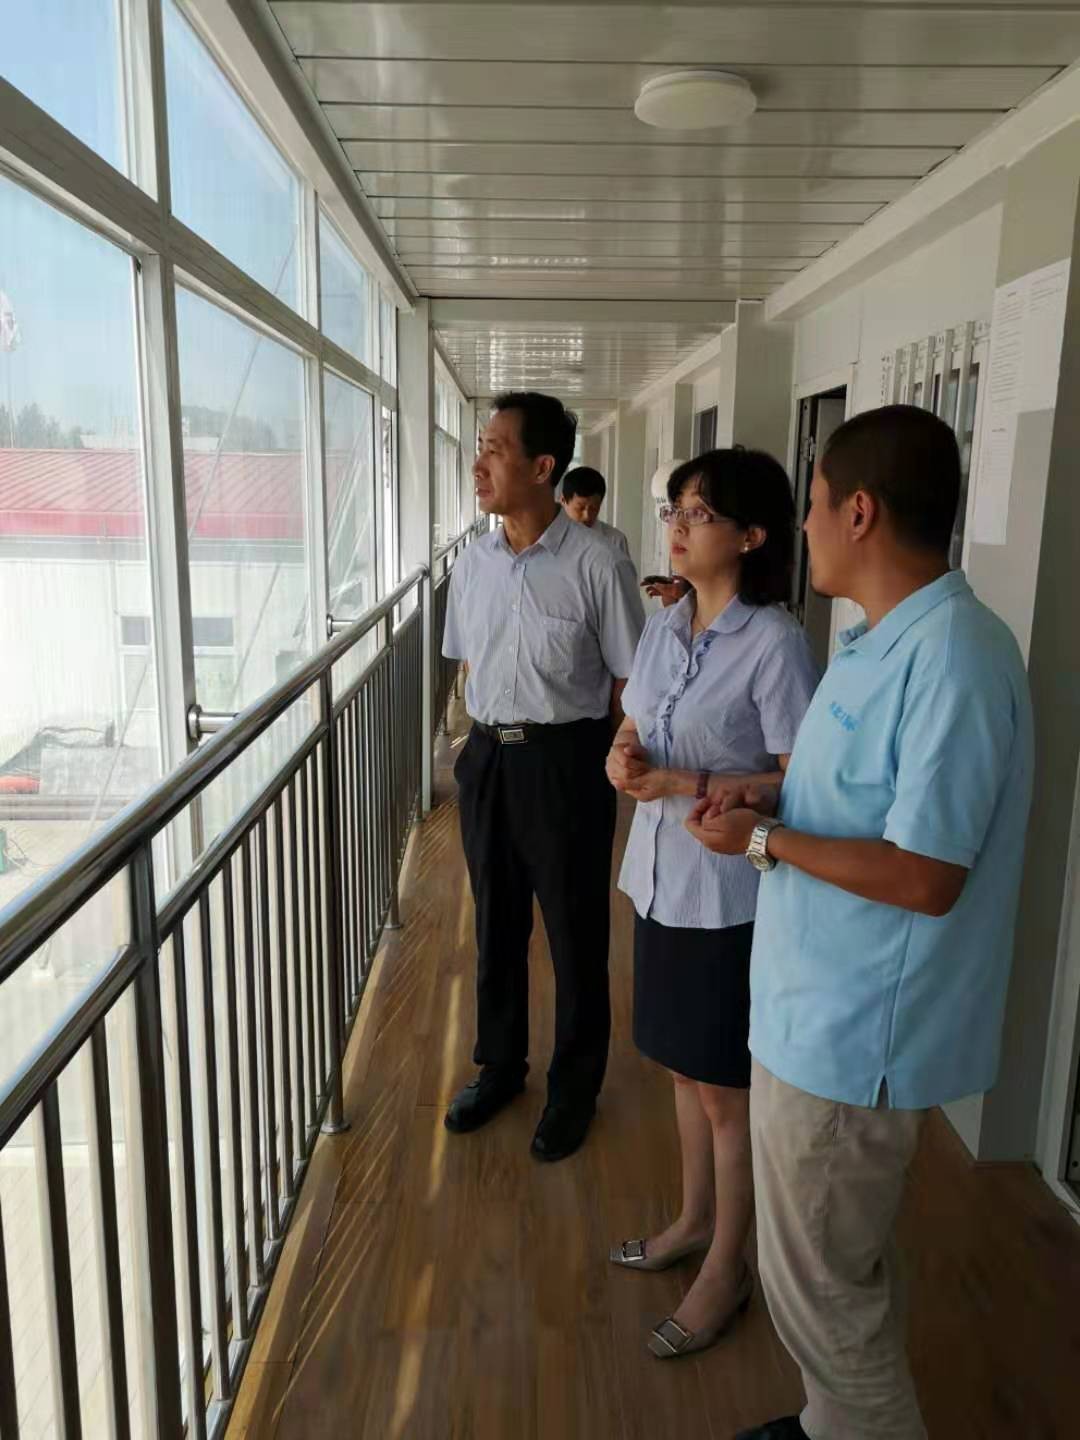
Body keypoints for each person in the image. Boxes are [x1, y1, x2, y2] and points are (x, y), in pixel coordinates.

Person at [683, 406, 1034, 1440]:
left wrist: (761, 840)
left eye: (816, 504)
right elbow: (853, 802)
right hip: (809, 1007)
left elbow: (926, 874)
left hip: (852, 1036)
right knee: (834, 1270)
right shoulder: (877, 640)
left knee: (823, 1298)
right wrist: (766, 796)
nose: (805, 527)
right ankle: (825, 1423)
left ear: (861, 512)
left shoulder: (957, 658)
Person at [605, 448, 819, 1359]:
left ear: (752, 535)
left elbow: (798, 779)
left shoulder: (774, 643)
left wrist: (681, 780)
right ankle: (695, 1221)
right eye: (675, 510)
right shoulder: (666, 625)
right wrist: (622, 754)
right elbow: (634, 722)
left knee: (726, 1092)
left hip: (728, 897)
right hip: (658, 881)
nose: (678, 527)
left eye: (698, 513)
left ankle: (730, 1266)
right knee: (683, 1070)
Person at [442, 393, 645, 1163]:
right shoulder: (472, 563)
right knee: (495, 924)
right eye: (480, 447)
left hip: (566, 762)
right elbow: (469, 659)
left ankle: (574, 1089)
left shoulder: (597, 562)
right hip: (489, 758)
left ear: (542, 467)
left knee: (574, 931)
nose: (478, 464)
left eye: (494, 449)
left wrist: (613, 757)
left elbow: (631, 678)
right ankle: (499, 1067)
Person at [560, 465, 634, 560]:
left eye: (594, 508)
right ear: (563, 501)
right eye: (580, 508)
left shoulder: (615, 540)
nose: (587, 516)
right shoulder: (552, 538)